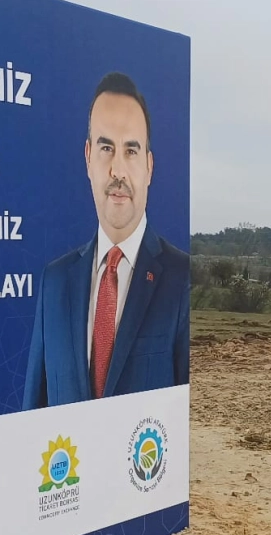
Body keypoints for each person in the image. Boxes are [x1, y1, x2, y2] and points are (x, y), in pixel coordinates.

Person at [22, 72, 190, 409]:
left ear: (149, 167)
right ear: (88, 158)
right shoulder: (55, 283)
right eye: (106, 148)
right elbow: (33, 416)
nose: (118, 171)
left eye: (131, 151)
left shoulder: (183, 281)